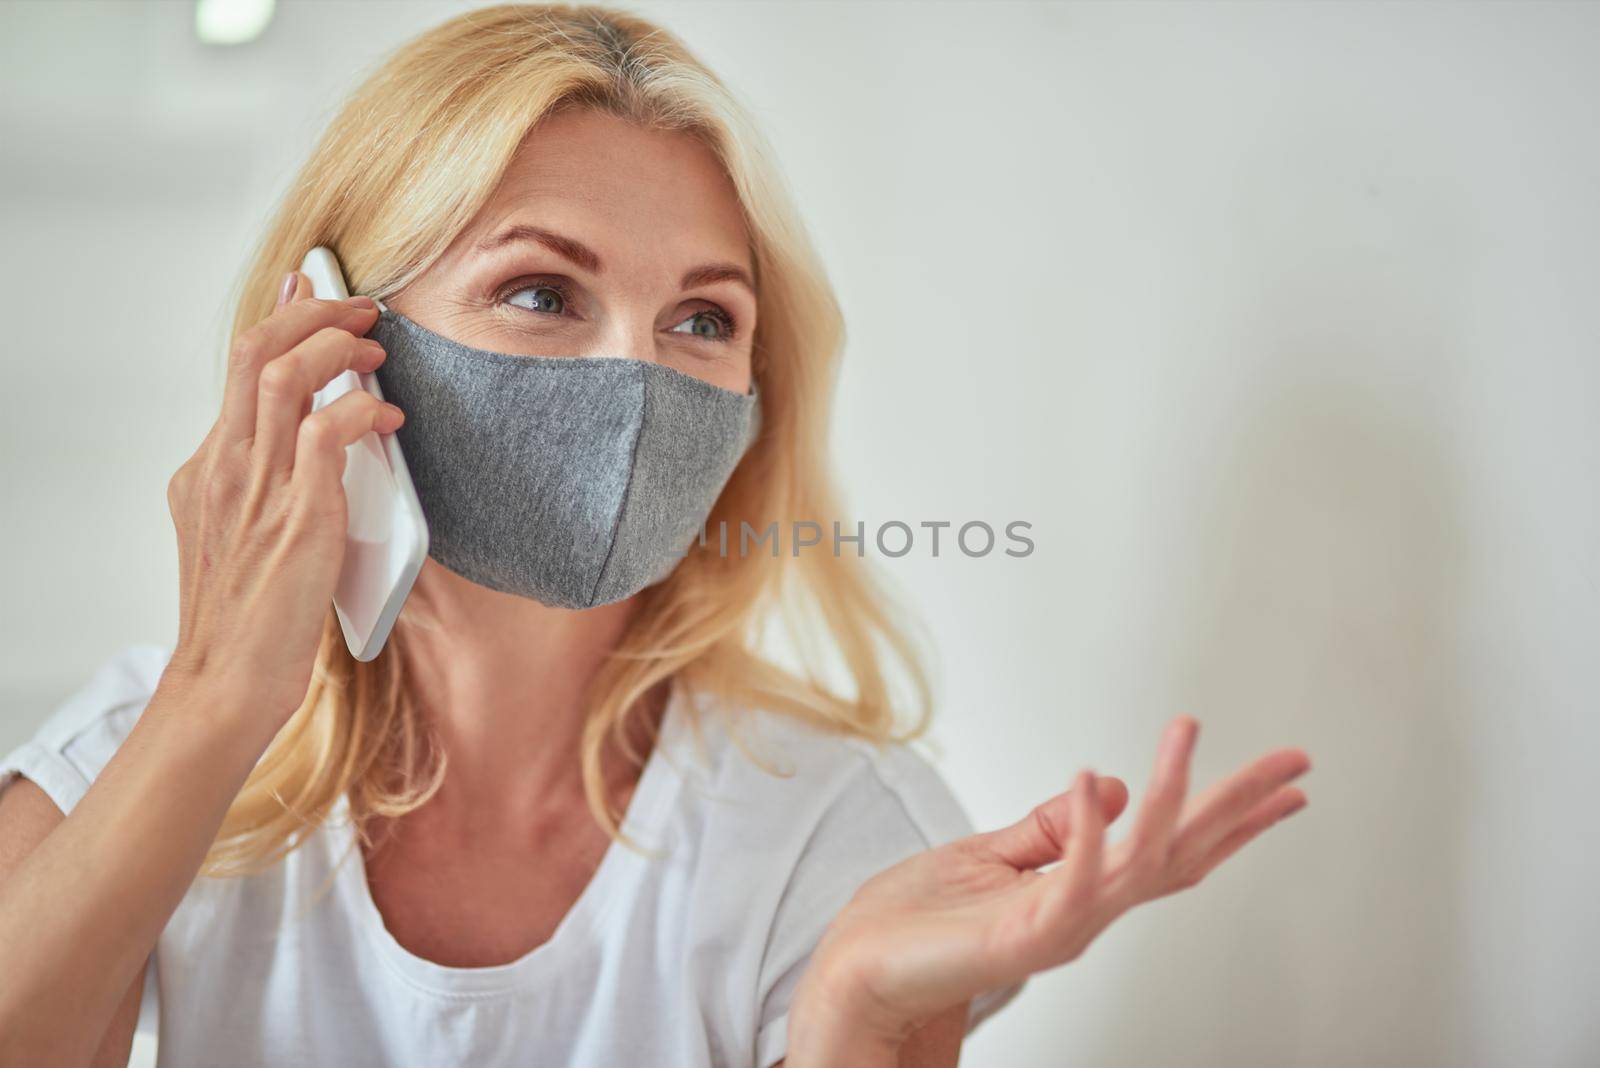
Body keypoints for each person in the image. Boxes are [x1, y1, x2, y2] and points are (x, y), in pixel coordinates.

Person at [0, 5, 1311, 1066]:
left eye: (700, 321)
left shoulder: (839, 833)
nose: (635, 383)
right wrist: (217, 699)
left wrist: (852, 1017)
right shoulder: (134, 766)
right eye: (540, 290)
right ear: (331, 341)